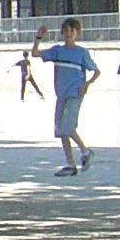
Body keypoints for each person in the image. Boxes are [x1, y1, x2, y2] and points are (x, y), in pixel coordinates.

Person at [31, 21, 99, 175]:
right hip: (61, 94)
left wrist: (86, 84)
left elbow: (96, 71)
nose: (69, 33)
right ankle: (70, 164)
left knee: (67, 127)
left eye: (72, 30)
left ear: (77, 33)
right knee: (61, 130)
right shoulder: (57, 51)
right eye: (66, 30)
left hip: (75, 93)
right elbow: (35, 54)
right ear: (62, 32)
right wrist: (39, 38)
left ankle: (85, 151)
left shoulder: (81, 53)